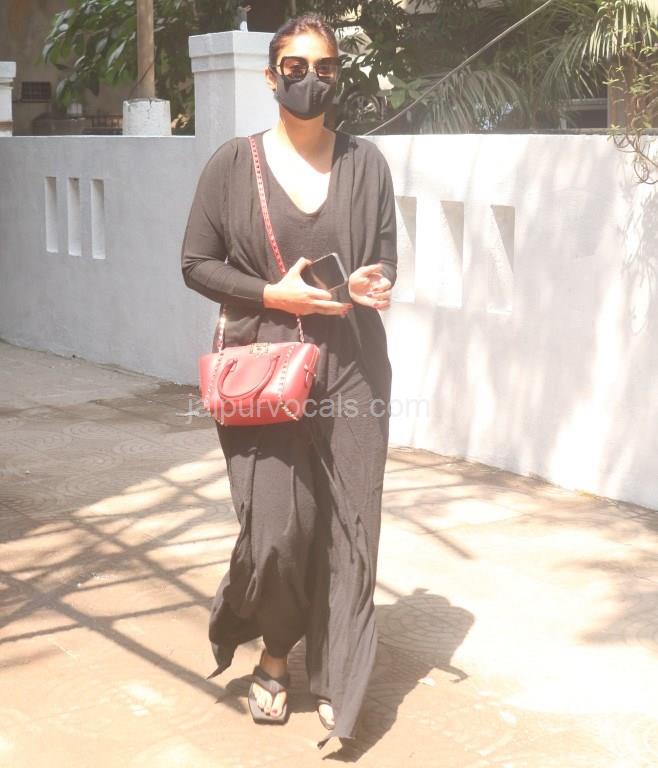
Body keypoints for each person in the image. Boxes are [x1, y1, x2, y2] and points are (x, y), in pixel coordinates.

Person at [180, 11, 397, 750]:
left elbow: (384, 256)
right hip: (264, 368)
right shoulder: (232, 165)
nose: (311, 80)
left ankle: (336, 676)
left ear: (338, 75)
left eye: (324, 68)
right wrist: (274, 294)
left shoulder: (367, 163)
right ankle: (275, 648)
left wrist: (371, 281)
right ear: (272, 77)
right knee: (276, 528)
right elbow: (195, 264)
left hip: (352, 365)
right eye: (295, 68)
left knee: (350, 525)